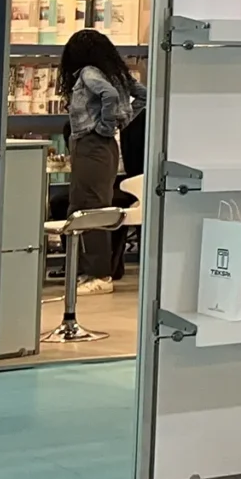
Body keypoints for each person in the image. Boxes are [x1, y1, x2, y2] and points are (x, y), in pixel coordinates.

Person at [58, 28, 143, 291]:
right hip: (97, 146)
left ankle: (98, 274)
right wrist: (122, 121)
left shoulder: (89, 73)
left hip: (92, 143)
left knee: (91, 207)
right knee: (83, 205)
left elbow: (110, 95)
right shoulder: (115, 74)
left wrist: (107, 125)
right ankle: (87, 269)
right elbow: (142, 94)